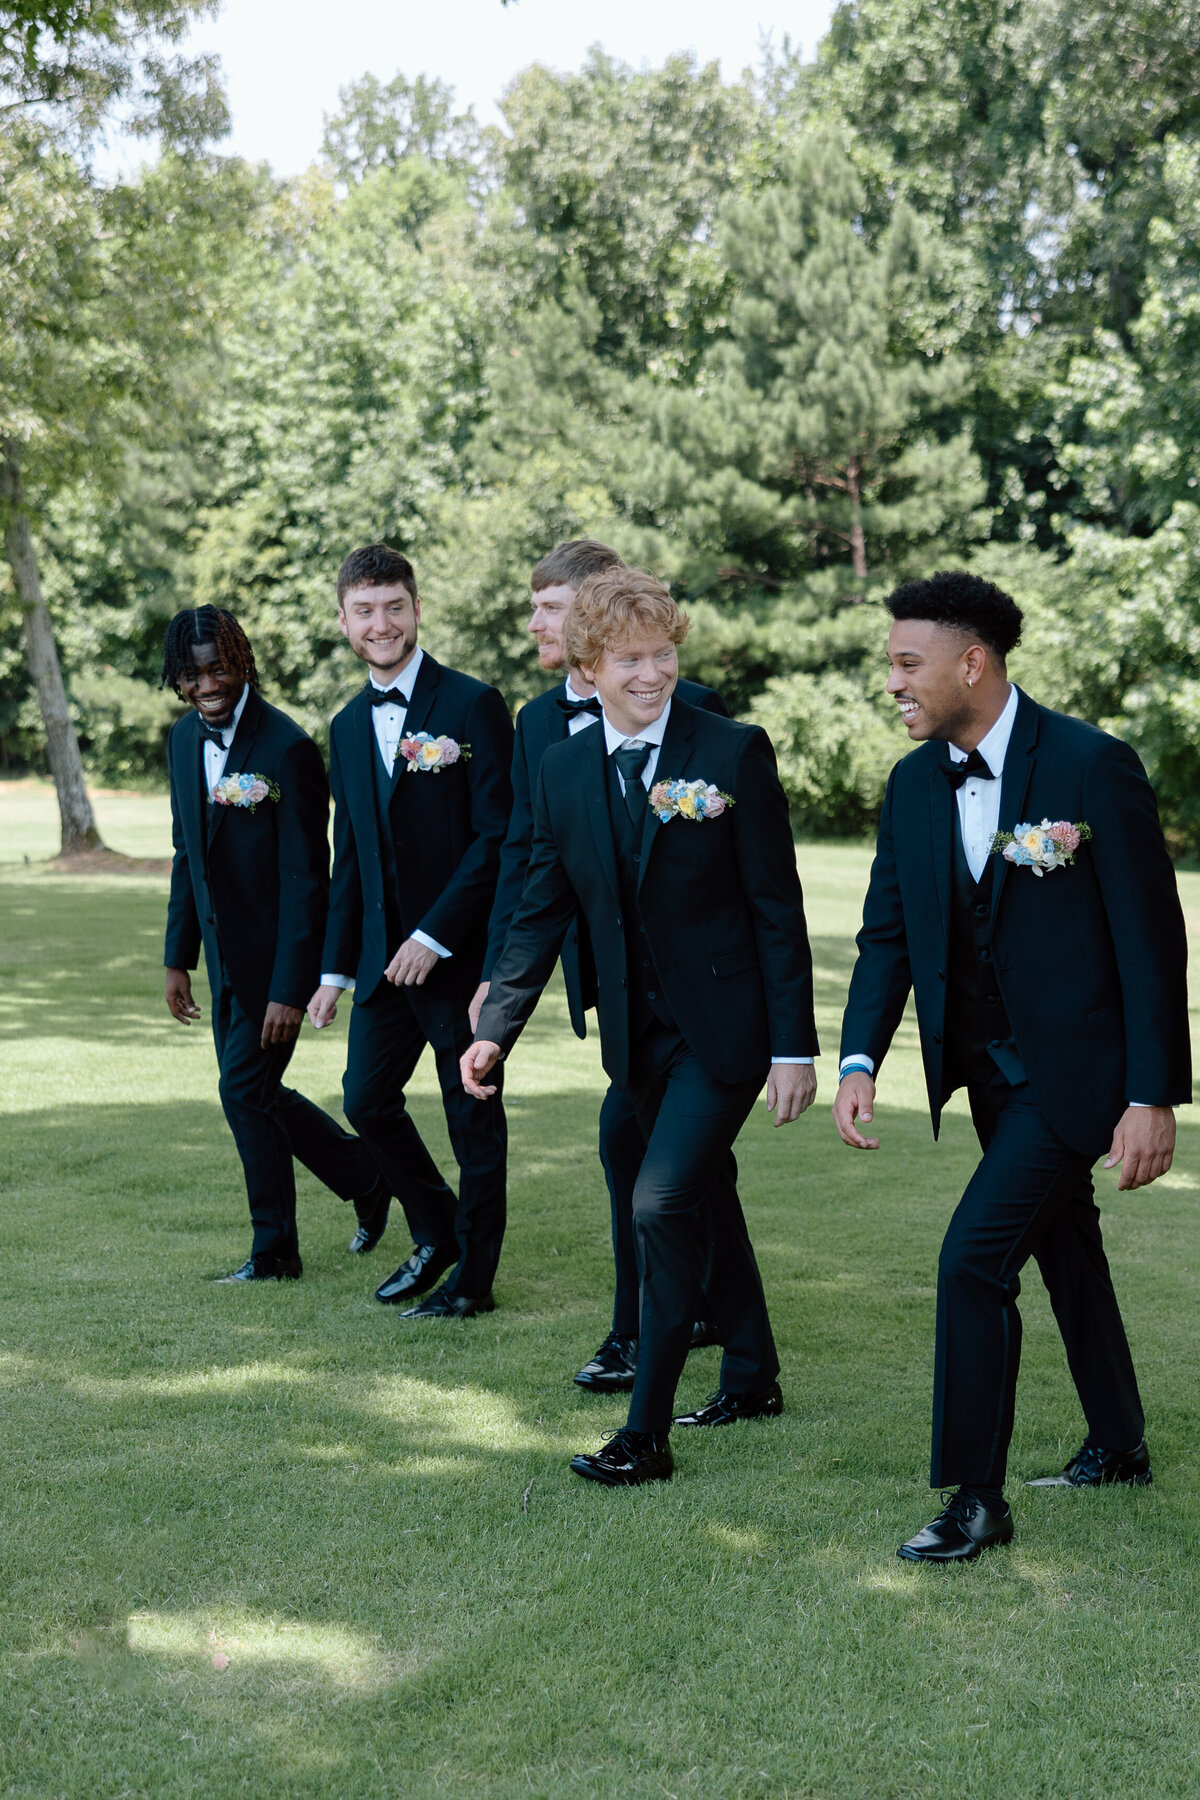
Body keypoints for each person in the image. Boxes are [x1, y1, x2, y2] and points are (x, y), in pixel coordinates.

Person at [833, 571, 1190, 1563]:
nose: (894, 682)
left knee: (972, 1259)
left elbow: (1151, 944)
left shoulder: (1090, 765)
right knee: (1066, 1247)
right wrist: (861, 1055)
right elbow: (888, 935)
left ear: (972, 662)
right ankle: (1119, 1442)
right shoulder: (912, 784)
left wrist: (1151, 1093)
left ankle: (976, 1501)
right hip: (985, 1076)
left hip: (1076, 1077)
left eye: (909, 664)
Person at [463, 568, 819, 1485]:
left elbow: (776, 908)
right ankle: (753, 1375)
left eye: (663, 654)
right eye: (630, 659)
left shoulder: (733, 751)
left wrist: (794, 1048)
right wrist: (495, 1025)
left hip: (724, 1031)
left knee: (660, 1203)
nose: (652, 674)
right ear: (589, 663)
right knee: (676, 1178)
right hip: (636, 1037)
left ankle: (645, 1436)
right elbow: (541, 906)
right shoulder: (559, 765)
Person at [470, 538, 729, 1393]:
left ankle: (646, 1334)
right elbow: (530, 864)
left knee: (654, 1165)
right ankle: (717, 1331)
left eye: (548, 605)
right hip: (611, 982)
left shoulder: (702, 719)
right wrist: (500, 992)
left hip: (699, 994)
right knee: (664, 1160)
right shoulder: (539, 727)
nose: (534, 620)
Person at [308, 544, 514, 1318]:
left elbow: (496, 838)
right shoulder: (347, 725)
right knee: (365, 1098)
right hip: (380, 967)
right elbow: (350, 857)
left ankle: (474, 1283)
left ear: (417, 609)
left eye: (394, 606)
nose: (381, 623)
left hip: (457, 961)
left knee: (472, 1117)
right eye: (365, 611)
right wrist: (332, 972)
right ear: (344, 621)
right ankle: (437, 1230)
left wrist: (433, 933)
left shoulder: (471, 705)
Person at [162, 605, 388, 1281]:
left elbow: (306, 880)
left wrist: (293, 988)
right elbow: (186, 856)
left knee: (242, 1090)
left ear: (243, 664)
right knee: (251, 1092)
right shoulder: (180, 743)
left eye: (219, 667)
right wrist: (178, 958)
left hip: (275, 966)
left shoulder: (285, 746)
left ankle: (275, 1251)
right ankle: (366, 1177)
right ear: (177, 678)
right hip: (223, 963)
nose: (208, 683)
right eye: (193, 672)